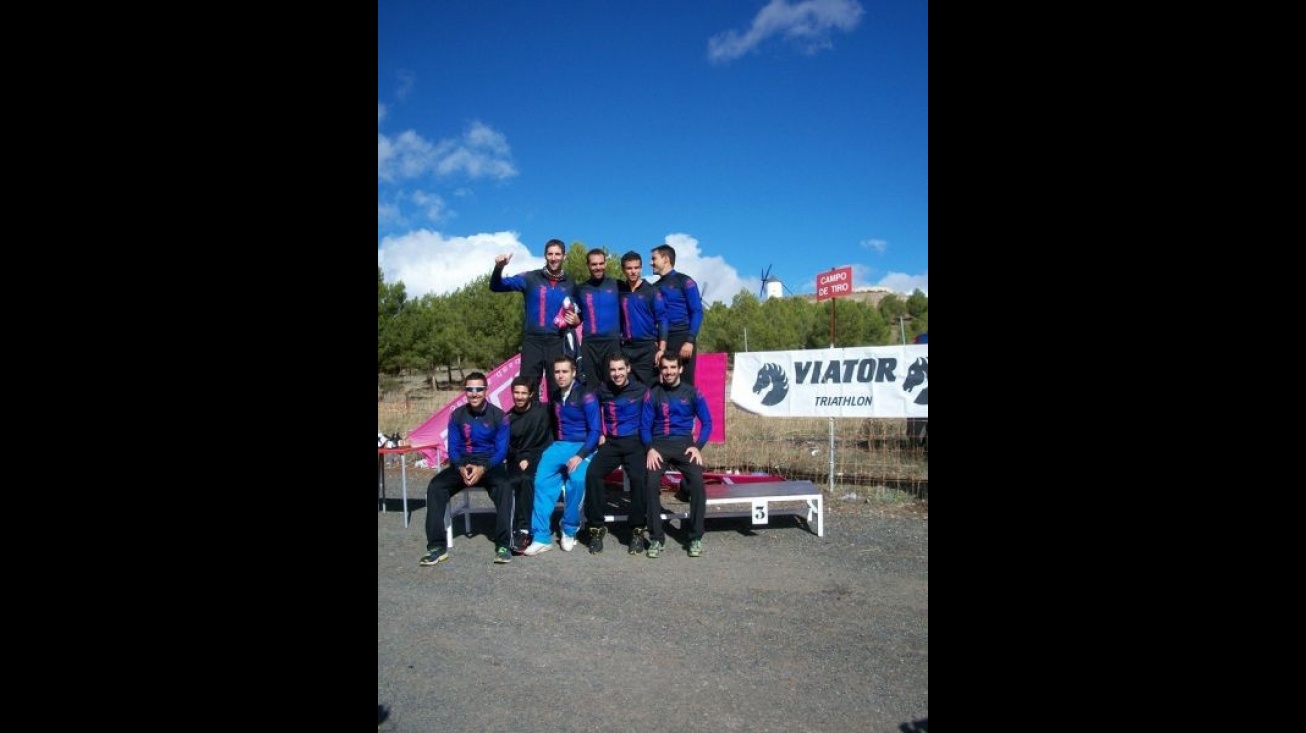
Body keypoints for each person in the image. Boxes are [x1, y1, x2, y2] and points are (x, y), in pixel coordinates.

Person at [419, 372, 515, 566]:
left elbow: (501, 451)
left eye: (478, 389)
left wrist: (483, 468)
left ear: (486, 391)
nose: (474, 393)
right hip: (462, 463)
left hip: (490, 464)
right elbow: (452, 447)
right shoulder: (457, 415)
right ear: (465, 392)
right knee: (435, 487)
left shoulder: (499, 416)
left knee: (505, 487)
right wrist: (460, 466)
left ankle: (503, 544)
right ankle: (437, 547)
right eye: (469, 389)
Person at [522, 356, 600, 556]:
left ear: (573, 372)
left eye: (565, 371)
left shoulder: (587, 395)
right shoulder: (555, 396)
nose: (560, 375)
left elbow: (595, 430)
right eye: (557, 372)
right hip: (559, 445)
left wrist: (580, 455)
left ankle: (569, 528)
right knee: (540, 482)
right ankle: (541, 537)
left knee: (577, 479)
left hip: (583, 446)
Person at [641, 353, 713, 559]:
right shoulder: (652, 394)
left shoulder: (693, 393)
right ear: (661, 370)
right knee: (651, 483)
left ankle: (695, 536)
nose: (669, 372)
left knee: (698, 482)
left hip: (685, 445)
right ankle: (656, 538)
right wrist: (650, 448)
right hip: (659, 445)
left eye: (673, 367)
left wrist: (698, 446)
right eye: (665, 368)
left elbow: (707, 423)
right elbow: (644, 426)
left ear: (680, 369)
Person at [581, 352, 651, 554]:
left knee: (639, 479)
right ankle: (596, 528)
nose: (617, 373)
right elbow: (592, 412)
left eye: (621, 369)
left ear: (628, 369)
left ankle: (637, 531)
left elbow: (652, 417)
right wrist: (601, 432)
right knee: (593, 474)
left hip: (635, 443)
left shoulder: (641, 390)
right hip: (611, 443)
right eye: (613, 370)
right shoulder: (603, 390)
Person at [490, 238, 580, 394]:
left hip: (557, 342)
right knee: (527, 389)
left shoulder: (570, 283)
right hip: (532, 342)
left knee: (557, 391)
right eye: (550, 254)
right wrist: (499, 268)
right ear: (545, 256)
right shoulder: (530, 278)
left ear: (564, 256)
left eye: (557, 254)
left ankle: (555, 419)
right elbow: (496, 286)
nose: (554, 258)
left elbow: (580, 310)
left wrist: (578, 320)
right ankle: (532, 419)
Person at [506, 375, 553, 554]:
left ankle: (523, 530)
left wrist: (530, 459)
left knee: (527, 479)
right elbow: (506, 446)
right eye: (516, 392)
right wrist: (520, 458)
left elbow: (547, 440)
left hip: (539, 457)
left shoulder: (542, 412)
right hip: (516, 458)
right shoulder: (508, 417)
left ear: (531, 394)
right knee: (512, 481)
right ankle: (510, 527)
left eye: (523, 393)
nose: (519, 396)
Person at [649, 243, 704, 386]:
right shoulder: (653, 287)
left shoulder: (685, 281)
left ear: (666, 259)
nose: (651, 262)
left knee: (684, 386)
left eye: (654, 259)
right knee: (661, 387)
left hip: (682, 339)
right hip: (661, 342)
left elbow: (697, 311)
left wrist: (690, 341)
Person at [574, 248, 623, 389]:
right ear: (588, 265)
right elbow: (579, 314)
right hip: (589, 344)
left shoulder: (617, 285)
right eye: (594, 264)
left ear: (605, 264)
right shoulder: (580, 289)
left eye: (601, 263)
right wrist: (576, 320)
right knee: (590, 388)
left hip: (612, 343)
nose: (598, 267)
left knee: (614, 386)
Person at [617, 250, 668, 387]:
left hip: (647, 349)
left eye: (636, 268)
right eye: (629, 268)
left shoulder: (651, 291)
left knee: (648, 393)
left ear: (641, 268)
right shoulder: (619, 291)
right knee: (628, 392)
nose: (633, 271)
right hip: (626, 349)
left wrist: (661, 349)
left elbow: (662, 319)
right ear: (623, 269)